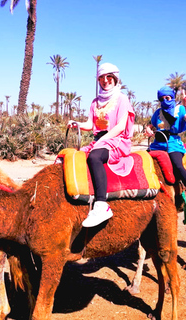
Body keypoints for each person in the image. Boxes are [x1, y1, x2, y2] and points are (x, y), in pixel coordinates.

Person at [67, 62, 135, 227]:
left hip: (117, 140)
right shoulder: (95, 102)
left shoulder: (122, 99)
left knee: (95, 157)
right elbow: (91, 125)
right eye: (102, 78)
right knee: (73, 156)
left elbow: (120, 126)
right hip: (100, 140)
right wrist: (76, 123)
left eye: (108, 77)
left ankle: (101, 205)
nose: (105, 80)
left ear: (114, 78)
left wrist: (103, 141)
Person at [145, 86, 186, 217]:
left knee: (177, 165)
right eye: (162, 98)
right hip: (157, 144)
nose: (165, 100)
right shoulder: (158, 112)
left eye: (168, 98)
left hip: (173, 144)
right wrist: (148, 129)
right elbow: (151, 124)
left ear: (172, 97)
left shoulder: (179, 109)